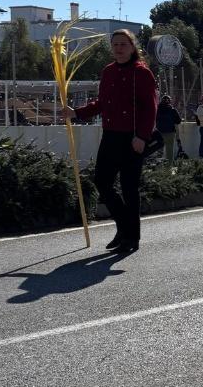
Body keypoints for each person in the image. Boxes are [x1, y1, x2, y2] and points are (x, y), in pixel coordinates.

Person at [62, 29, 157, 254]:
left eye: (123, 44)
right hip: (111, 135)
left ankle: (131, 237)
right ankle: (124, 227)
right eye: (115, 45)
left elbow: (150, 108)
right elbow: (102, 103)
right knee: (102, 182)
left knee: (129, 189)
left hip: (133, 138)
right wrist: (76, 113)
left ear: (133, 47)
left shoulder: (142, 73)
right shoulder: (108, 72)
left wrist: (142, 137)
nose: (119, 48)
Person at [156, 94, 181, 165]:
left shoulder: (157, 109)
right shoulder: (172, 110)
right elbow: (178, 121)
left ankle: (158, 164)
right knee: (169, 150)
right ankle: (169, 165)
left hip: (159, 133)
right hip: (170, 133)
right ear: (169, 102)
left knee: (159, 149)